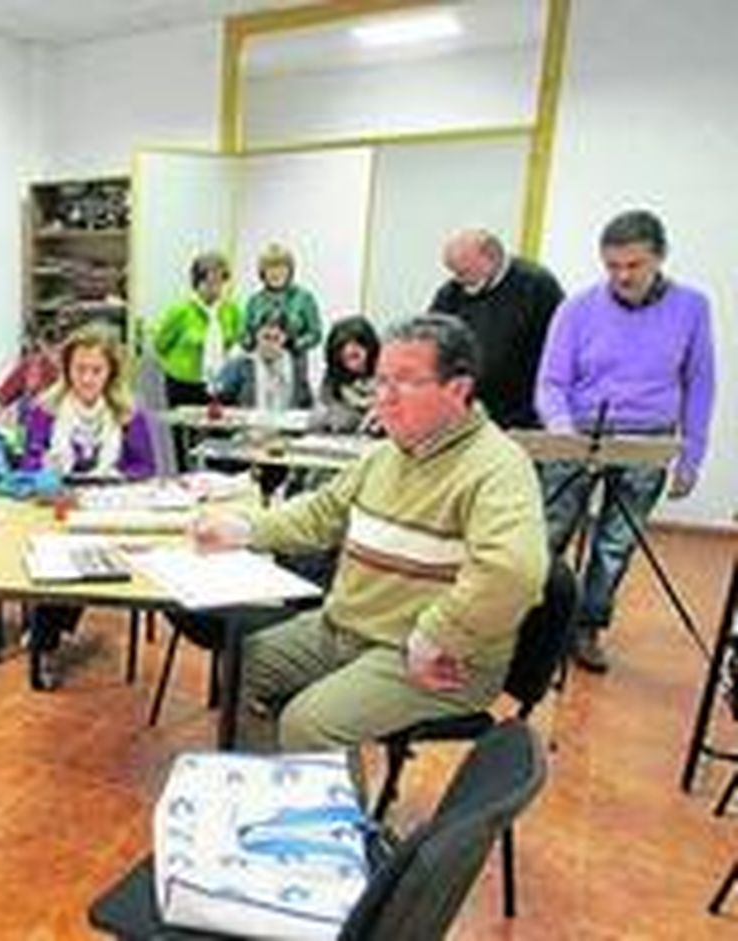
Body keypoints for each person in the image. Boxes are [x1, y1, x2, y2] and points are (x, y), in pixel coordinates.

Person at [186, 315, 547, 752]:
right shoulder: (385, 456)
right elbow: (320, 514)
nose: (385, 398)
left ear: (458, 389)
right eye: (381, 381)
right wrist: (245, 528)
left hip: (432, 654)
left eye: (405, 382)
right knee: (242, 664)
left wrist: (439, 634)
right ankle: (271, 782)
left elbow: (513, 572)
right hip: (348, 630)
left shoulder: (497, 466)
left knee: (310, 724)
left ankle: (316, 794)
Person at [536, 209, 716, 673]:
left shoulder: (692, 307)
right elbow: (551, 382)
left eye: (634, 265)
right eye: (612, 266)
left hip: (648, 438)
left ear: (660, 257)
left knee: (615, 544)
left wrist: (691, 456)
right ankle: (533, 621)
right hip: (578, 432)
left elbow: (700, 383)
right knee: (548, 533)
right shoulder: (577, 308)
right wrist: (562, 430)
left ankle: (586, 627)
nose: (622, 276)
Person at [19, 324, 157, 690]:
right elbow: (28, 462)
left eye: (96, 370)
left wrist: (114, 477)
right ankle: (46, 640)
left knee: (86, 552)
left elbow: (146, 468)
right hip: (56, 499)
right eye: (79, 369)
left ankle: (45, 634)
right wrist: (46, 469)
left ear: (111, 372)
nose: (87, 378)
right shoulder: (45, 409)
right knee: (60, 551)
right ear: (67, 369)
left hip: (107, 502)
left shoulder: (129, 412)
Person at [431, 228, 565, 429]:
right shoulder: (451, 293)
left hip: (520, 411)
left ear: (492, 257)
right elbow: (433, 340)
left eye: (464, 272)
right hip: (467, 410)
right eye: (454, 273)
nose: (459, 280)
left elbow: (556, 350)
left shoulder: (537, 286)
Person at [151, 251, 243, 463]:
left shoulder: (231, 310)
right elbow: (160, 344)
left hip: (219, 383)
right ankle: (184, 476)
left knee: (220, 436)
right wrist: (178, 364)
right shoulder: (180, 311)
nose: (214, 289)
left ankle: (218, 476)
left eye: (219, 282)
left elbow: (237, 340)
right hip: (184, 383)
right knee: (184, 440)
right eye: (208, 282)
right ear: (197, 282)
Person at [214, 313, 314, 414]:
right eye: (266, 337)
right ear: (256, 336)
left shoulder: (296, 369)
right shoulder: (240, 365)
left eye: (276, 338)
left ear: (285, 338)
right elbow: (219, 397)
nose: (270, 344)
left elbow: (306, 406)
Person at [241, 243, 322, 358]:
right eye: (270, 268)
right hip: (260, 361)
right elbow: (244, 335)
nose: (276, 273)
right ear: (263, 272)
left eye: (281, 267)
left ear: (290, 270)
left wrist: (293, 343)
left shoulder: (304, 298)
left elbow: (316, 334)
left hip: (294, 360)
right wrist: (255, 340)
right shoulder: (254, 301)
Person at [311, 315, 381, 434]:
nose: (350, 350)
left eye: (358, 345)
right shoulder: (332, 382)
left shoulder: (387, 376)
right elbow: (318, 420)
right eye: (343, 347)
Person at [0, 322, 61, 425]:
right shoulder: (31, 366)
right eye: (49, 346)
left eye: (58, 347)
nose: (55, 353)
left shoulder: (70, 369)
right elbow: (6, 390)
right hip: (29, 423)